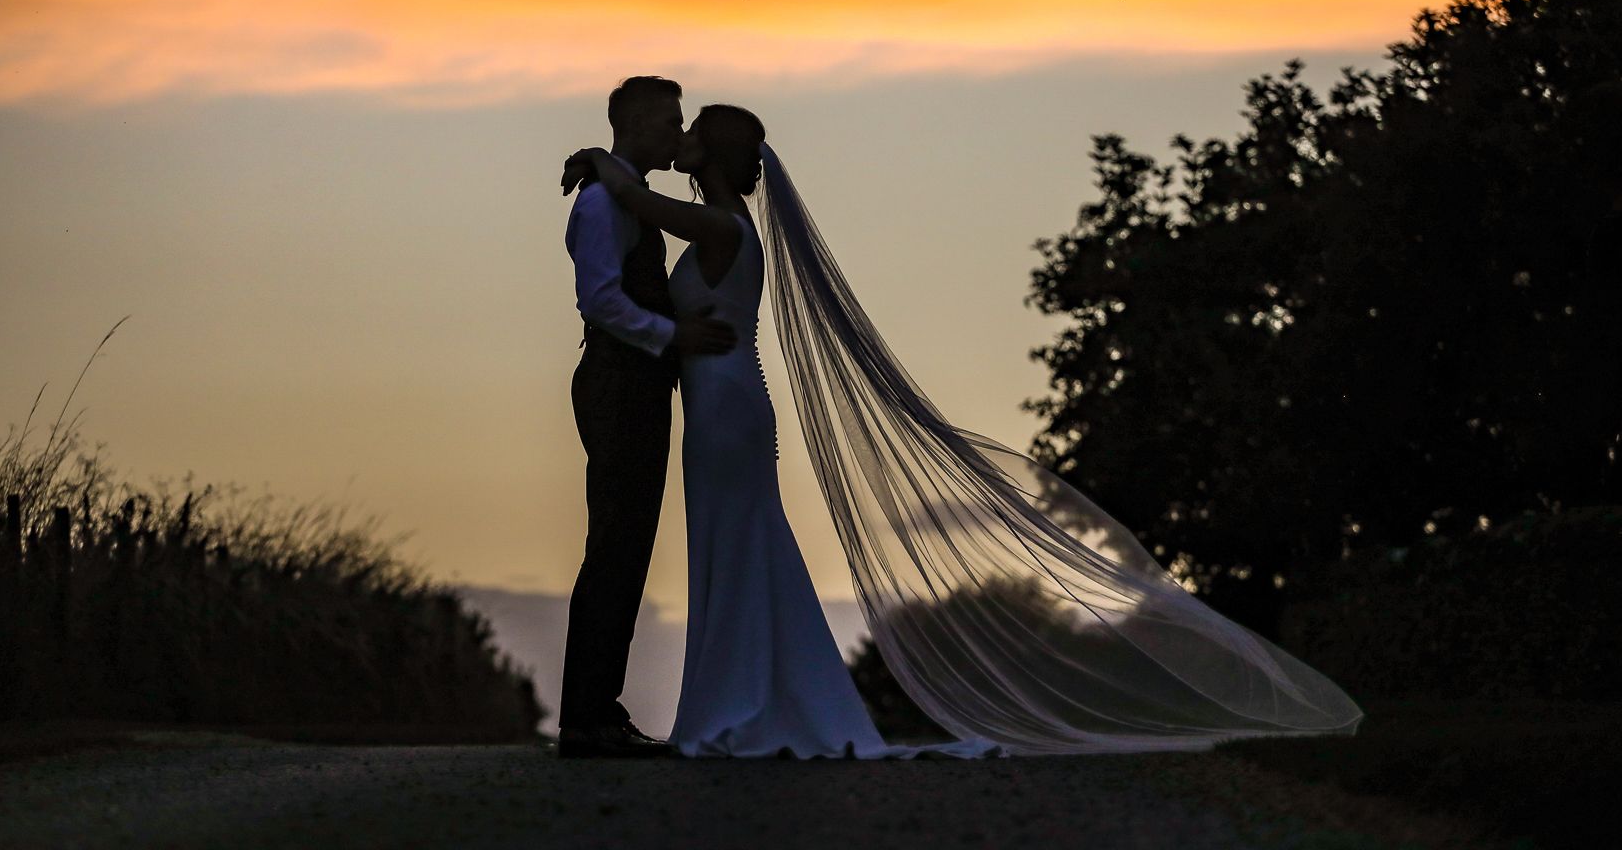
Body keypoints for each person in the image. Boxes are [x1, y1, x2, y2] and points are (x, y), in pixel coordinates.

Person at [562, 104, 1364, 757]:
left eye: (693, 130)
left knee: (737, 541)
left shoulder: (724, 225)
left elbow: (635, 202)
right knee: (736, 543)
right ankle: (740, 694)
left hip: (726, 407)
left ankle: (740, 700)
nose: (684, 138)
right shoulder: (718, 220)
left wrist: (603, 161)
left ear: (714, 155)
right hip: (720, 402)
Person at [556, 76, 736, 759]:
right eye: (667, 123)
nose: (676, 134)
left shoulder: (618, 190)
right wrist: (671, 336)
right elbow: (599, 300)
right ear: (632, 125)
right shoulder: (602, 202)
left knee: (627, 546)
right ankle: (587, 719)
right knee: (615, 545)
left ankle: (598, 710)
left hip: (635, 384)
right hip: (616, 382)